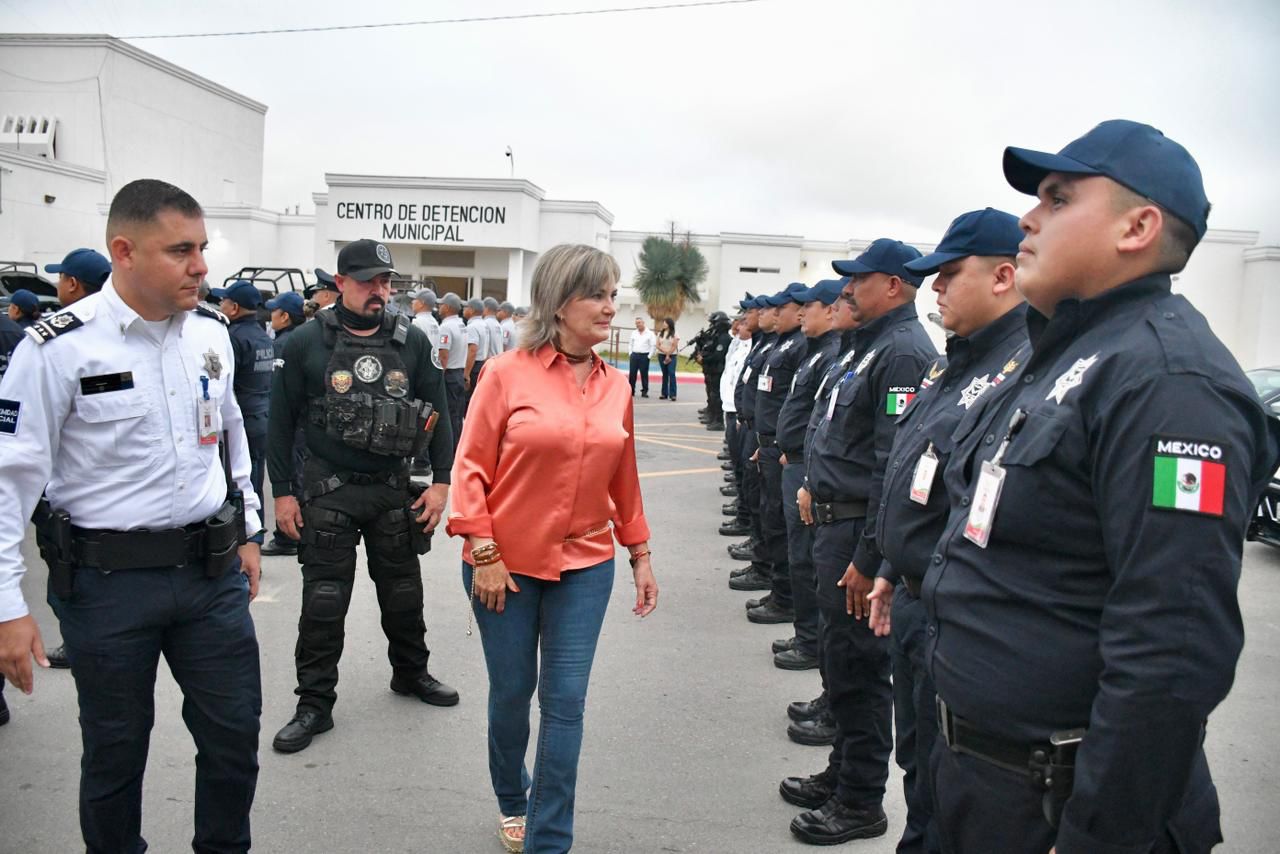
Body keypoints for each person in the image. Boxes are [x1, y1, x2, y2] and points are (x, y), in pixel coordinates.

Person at [922, 121, 1280, 854]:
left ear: (1138, 227)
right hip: (976, 776)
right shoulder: (1061, 356)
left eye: (1057, 199)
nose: (1028, 219)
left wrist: (1102, 836)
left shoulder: (1168, 382)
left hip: (1057, 802)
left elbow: (1171, 646)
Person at [0, 178, 264, 853]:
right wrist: (7, 604)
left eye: (202, 248)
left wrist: (250, 528)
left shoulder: (210, 334)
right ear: (123, 250)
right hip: (108, 585)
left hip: (211, 579)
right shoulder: (57, 349)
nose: (201, 266)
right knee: (115, 754)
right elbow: (8, 481)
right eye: (181, 250)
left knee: (234, 740)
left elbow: (232, 432)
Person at [447, 243, 657, 854]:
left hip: (587, 565)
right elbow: (469, 470)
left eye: (614, 295)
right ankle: (513, 797)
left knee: (565, 705)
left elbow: (626, 479)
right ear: (560, 303)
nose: (610, 308)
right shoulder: (505, 373)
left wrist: (640, 553)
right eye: (598, 295)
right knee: (512, 696)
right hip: (504, 567)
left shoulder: (617, 386)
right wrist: (483, 552)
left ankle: (548, 839)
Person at [862, 208, 1028, 854]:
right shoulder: (952, 363)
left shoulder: (1019, 366)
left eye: (950, 275)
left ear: (1003, 277)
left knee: (945, 783)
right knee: (920, 769)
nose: (936, 288)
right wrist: (887, 566)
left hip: (952, 612)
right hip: (912, 596)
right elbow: (912, 471)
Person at [267, 238, 458, 755]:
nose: (381, 291)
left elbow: (439, 408)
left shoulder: (412, 341)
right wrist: (282, 496)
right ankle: (314, 704)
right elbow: (279, 426)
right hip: (330, 492)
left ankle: (411, 674)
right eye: (370, 281)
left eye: (386, 282)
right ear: (341, 282)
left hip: (393, 491)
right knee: (324, 602)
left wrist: (442, 481)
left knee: (403, 593)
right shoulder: (305, 342)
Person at [787, 240, 938, 845]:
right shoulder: (868, 345)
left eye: (859, 279)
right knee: (840, 664)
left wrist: (866, 556)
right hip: (835, 526)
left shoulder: (902, 352)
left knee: (861, 671)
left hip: (855, 534)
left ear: (895, 286)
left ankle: (860, 800)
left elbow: (890, 466)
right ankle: (843, 771)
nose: (846, 289)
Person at [39, 248, 113, 670]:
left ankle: (76, 638)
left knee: (63, 577)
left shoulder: (67, 341)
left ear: (71, 284)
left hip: (76, 516)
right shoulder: (52, 341)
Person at [772, 279, 846, 672]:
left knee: (805, 558)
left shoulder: (830, 354)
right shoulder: (816, 353)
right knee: (798, 554)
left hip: (808, 471)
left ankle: (811, 640)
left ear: (831, 310)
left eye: (810, 306)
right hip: (796, 462)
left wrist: (804, 469)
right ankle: (806, 634)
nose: (802, 313)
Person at [745, 283, 810, 627]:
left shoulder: (802, 347)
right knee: (768, 514)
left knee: (784, 529)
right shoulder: (782, 344)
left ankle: (783, 597)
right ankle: (775, 585)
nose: (772, 314)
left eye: (778, 308)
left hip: (787, 454)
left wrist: (787, 446)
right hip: (769, 441)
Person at [213, 279, 275, 523]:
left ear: (234, 308)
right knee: (255, 481)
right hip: (262, 416)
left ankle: (244, 531)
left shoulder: (233, 337)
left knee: (236, 482)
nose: (221, 305)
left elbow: (225, 383)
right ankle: (256, 527)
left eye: (224, 301)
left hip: (243, 420)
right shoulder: (261, 335)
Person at [262, 291, 308, 557]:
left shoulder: (284, 344)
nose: (271, 318)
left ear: (285, 316)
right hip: (303, 422)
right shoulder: (303, 339)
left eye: (274, 312)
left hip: (291, 422)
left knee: (291, 473)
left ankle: (288, 535)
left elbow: (278, 389)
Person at [437, 293, 471, 450]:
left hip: (449, 374)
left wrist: (438, 376)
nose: (439, 307)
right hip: (458, 372)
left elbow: (443, 355)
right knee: (457, 416)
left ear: (448, 307)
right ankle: (458, 448)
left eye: (441, 304)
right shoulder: (461, 325)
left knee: (449, 416)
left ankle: (449, 451)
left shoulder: (446, 327)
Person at [698, 311, 732, 429]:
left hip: (718, 370)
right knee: (712, 395)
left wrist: (704, 359)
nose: (712, 325)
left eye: (714, 323)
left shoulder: (724, 338)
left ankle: (718, 420)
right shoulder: (716, 335)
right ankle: (712, 416)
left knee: (716, 396)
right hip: (712, 370)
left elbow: (718, 355)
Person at [46, 247, 112, 306]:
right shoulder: (115, 317)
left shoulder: (62, 318)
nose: (58, 284)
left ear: (72, 284)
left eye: (60, 277)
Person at [463, 297, 492, 412]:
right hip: (481, 364)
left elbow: (472, 350)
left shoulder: (472, 327)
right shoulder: (483, 324)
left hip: (473, 367)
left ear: (472, 310)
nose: (463, 310)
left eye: (466, 307)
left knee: (469, 402)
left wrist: (466, 374)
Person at [627, 316, 656, 397]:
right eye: (636, 323)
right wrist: (630, 353)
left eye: (639, 323)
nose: (637, 324)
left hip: (644, 356)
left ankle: (644, 391)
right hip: (634, 355)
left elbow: (653, 346)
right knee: (632, 374)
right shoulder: (634, 333)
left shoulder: (650, 333)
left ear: (643, 323)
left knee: (644, 374)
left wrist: (649, 356)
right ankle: (631, 390)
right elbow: (630, 344)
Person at [656, 317, 680, 400]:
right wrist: (665, 353)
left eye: (665, 323)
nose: (663, 324)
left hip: (672, 355)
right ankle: (664, 393)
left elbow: (674, 345)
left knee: (671, 373)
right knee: (664, 374)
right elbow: (658, 345)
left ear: (669, 324)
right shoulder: (660, 333)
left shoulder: (675, 333)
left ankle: (673, 394)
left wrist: (668, 354)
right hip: (661, 355)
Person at [483, 296, 505, 362]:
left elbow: (485, 346)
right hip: (498, 360)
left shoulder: (485, 323)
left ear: (486, 309)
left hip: (489, 362)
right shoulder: (499, 325)